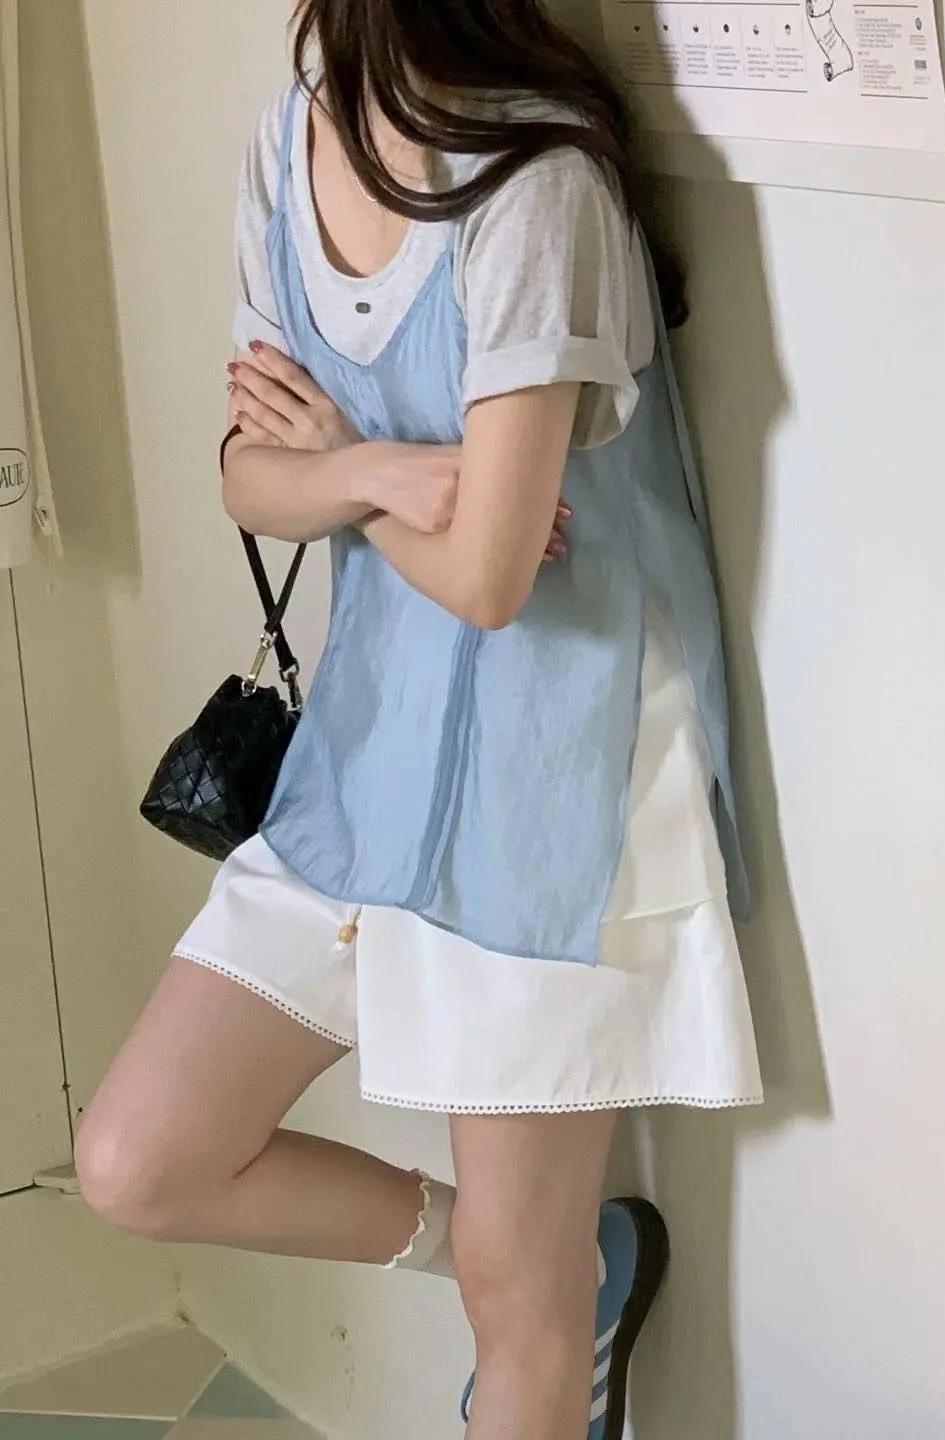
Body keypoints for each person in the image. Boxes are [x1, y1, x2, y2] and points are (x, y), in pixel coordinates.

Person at [75, 2, 762, 1436]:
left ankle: (542, 1294)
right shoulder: (293, 138)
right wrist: (376, 470)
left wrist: (340, 468)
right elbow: (247, 476)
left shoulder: (538, 184)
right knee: (142, 1158)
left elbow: (492, 579)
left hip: (551, 784)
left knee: (520, 1310)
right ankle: (555, 1276)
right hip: (373, 749)